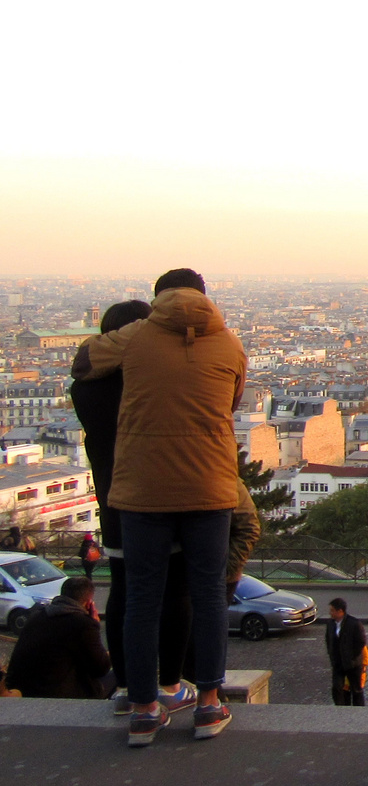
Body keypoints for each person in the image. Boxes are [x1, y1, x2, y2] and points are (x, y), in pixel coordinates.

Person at [73, 268, 246, 746]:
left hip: (143, 487)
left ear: (159, 297)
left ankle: (145, 710)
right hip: (209, 483)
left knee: (142, 599)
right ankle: (210, 705)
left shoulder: (135, 337)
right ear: (205, 296)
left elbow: (83, 364)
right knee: (208, 595)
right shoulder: (230, 344)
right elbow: (230, 402)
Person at [4, 577, 112, 699]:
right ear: (89, 603)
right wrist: (95, 625)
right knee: (117, 674)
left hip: (23, 689)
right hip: (57, 694)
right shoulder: (83, 624)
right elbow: (101, 668)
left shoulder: (38, 615)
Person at [324, 598, 368, 706]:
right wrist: (331, 654)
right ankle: (341, 709)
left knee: (356, 690)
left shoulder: (354, 624)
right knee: (337, 687)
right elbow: (328, 640)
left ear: (340, 611)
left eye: (332, 610)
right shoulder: (330, 624)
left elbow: (361, 642)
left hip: (353, 664)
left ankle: (359, 710)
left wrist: (352, 657)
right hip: (338, 663)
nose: (330, 613)